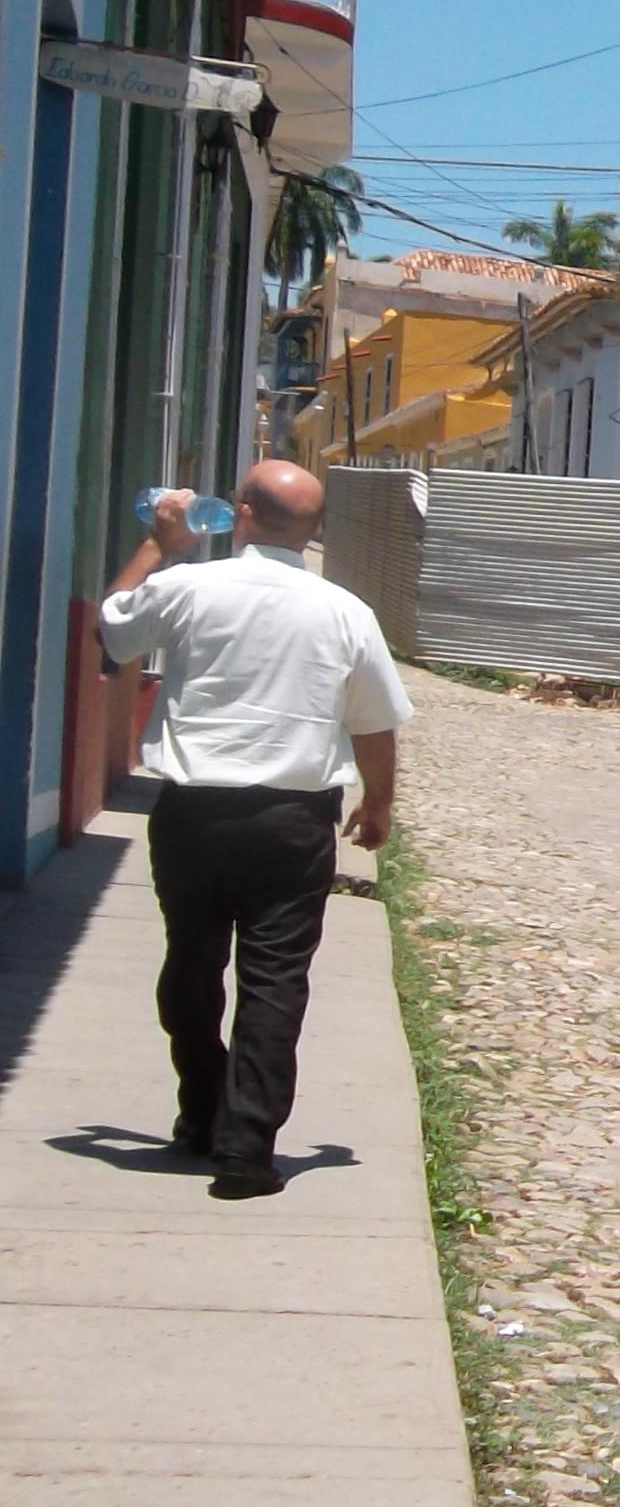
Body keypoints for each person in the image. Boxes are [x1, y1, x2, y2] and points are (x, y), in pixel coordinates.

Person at [96, 460, 412, 1198]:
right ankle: (245, 1150)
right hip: (292, 821)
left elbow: (114, 629)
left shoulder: (185, 587)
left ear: (238, 514)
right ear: (313, 531)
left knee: (192, 966)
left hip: (193, 813)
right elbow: (375, 723)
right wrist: (379, 804)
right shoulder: (344, 611)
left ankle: (200, 1112)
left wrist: (159, 545)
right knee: (275, 981)